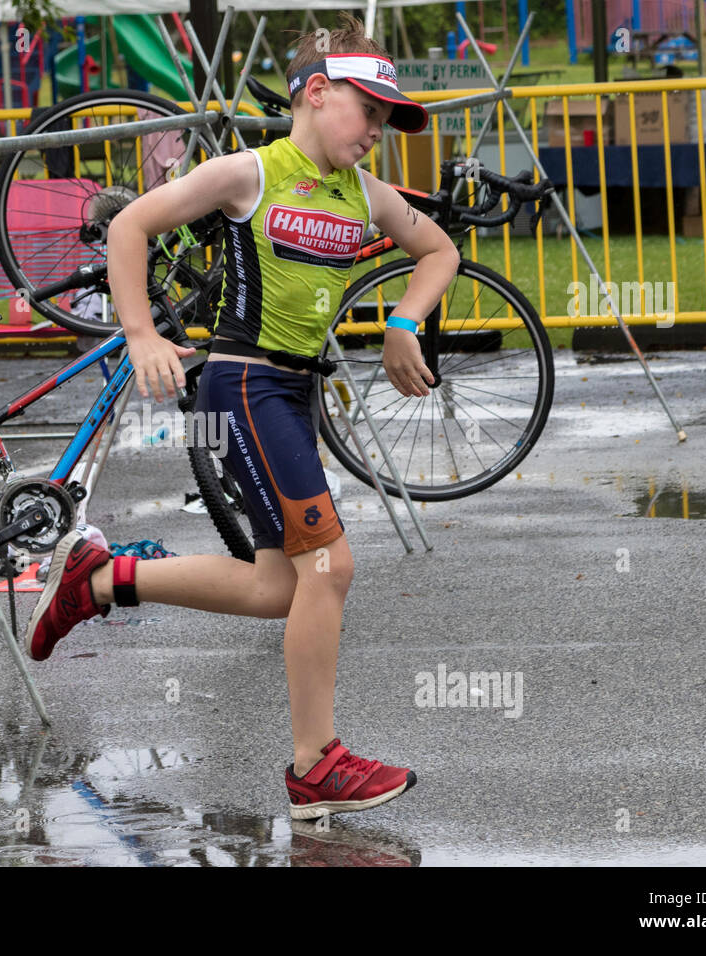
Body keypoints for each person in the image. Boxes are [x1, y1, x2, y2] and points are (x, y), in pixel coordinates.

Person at [23, 15, 460, 820]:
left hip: (291, 395)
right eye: (370, 112)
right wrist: (143, 334)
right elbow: (129, 226)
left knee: (277, 587)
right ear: (317, 93)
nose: (377, 133)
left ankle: (102, 579)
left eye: (389, 121)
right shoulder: (248, 173)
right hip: (245, 386)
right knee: (331, 568)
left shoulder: (364, 195)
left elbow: (439, 252)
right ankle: (315, 766)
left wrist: (404, 322)